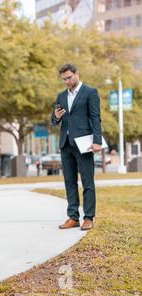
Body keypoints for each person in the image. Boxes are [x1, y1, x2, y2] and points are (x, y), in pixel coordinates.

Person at [51, 63, 102, 231]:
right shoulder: (61, 96)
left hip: (84, 144)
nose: (67, 81)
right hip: (66, 144)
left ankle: (88, 217)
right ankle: (73, 217)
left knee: (87, 182)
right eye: (64, 79)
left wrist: (97, 141)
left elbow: (95, 118)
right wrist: (56, 117)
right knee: (69, 182)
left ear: (76, 74)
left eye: (69, 77)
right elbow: (55, 120)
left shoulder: (90, 92)